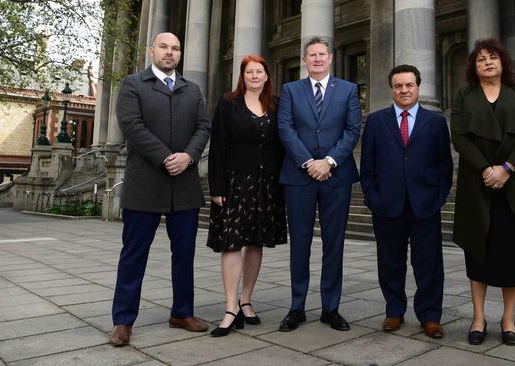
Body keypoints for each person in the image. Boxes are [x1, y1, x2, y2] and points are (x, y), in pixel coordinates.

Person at [109, 32, 211, 347]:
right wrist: (166, 157)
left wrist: (190, 156)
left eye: (176, 48)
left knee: (184, 254)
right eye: (164, 47)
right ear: (152, 50)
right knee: (133, 255)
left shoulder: (192, 90)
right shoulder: (132, 84)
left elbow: (203, 126)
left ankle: (182, 312)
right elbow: (131, 125)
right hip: (145, 185)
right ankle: (123, 321)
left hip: (184, 186)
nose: (170, 53)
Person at [450, 38, 515, 346]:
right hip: (477, 183)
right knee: (477, 250)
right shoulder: (464, 95)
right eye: (480, 59)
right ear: (473, 68)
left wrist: (506, 168)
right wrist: (486, 169)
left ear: (503, 62)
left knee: (512, 253)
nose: (488, 62)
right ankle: (478, 317)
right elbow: (460, 137)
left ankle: (508, 318)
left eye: (493, 57)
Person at [360, 65, 453, 338]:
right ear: (392, 89)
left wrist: (438, 197)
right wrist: (371, 195)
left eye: (409, 85)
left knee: (429, 264)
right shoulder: (376, 121)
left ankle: (430, 316)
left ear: (418, 87)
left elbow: (444, 166)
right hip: (387, 204)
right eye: (398, 86)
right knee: (390, 262)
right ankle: (394, 311)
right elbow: (368, 165)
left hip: (425, 204)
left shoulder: (435, 122)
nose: (404, 90)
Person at [277, 37, 361, 332]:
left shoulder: (349, 90)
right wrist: (309, 163)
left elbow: (352, 130)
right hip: (298, 177)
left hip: (336, 177)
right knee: (300, 243)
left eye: (321, 54)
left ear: (330, 58)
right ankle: (296, 307)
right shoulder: (290, 90)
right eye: (311, 55)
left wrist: (329, 162)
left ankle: (331, 308)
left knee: (333, 243)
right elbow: (285, 129)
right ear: (304, 59)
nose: (316, 59)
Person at [207, 55, 287, 337]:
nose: (254, 76)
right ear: (242, 76)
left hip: (267, 184)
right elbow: (217, 145)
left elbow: (283, 144)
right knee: (232, 243)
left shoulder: (277, 105)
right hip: (235, 183)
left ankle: (246, 300)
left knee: (256, 243)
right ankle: (230, 308)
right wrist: (216, 186)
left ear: (267, 76)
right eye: (249, 72)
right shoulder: (228, 102)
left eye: (259, 71)